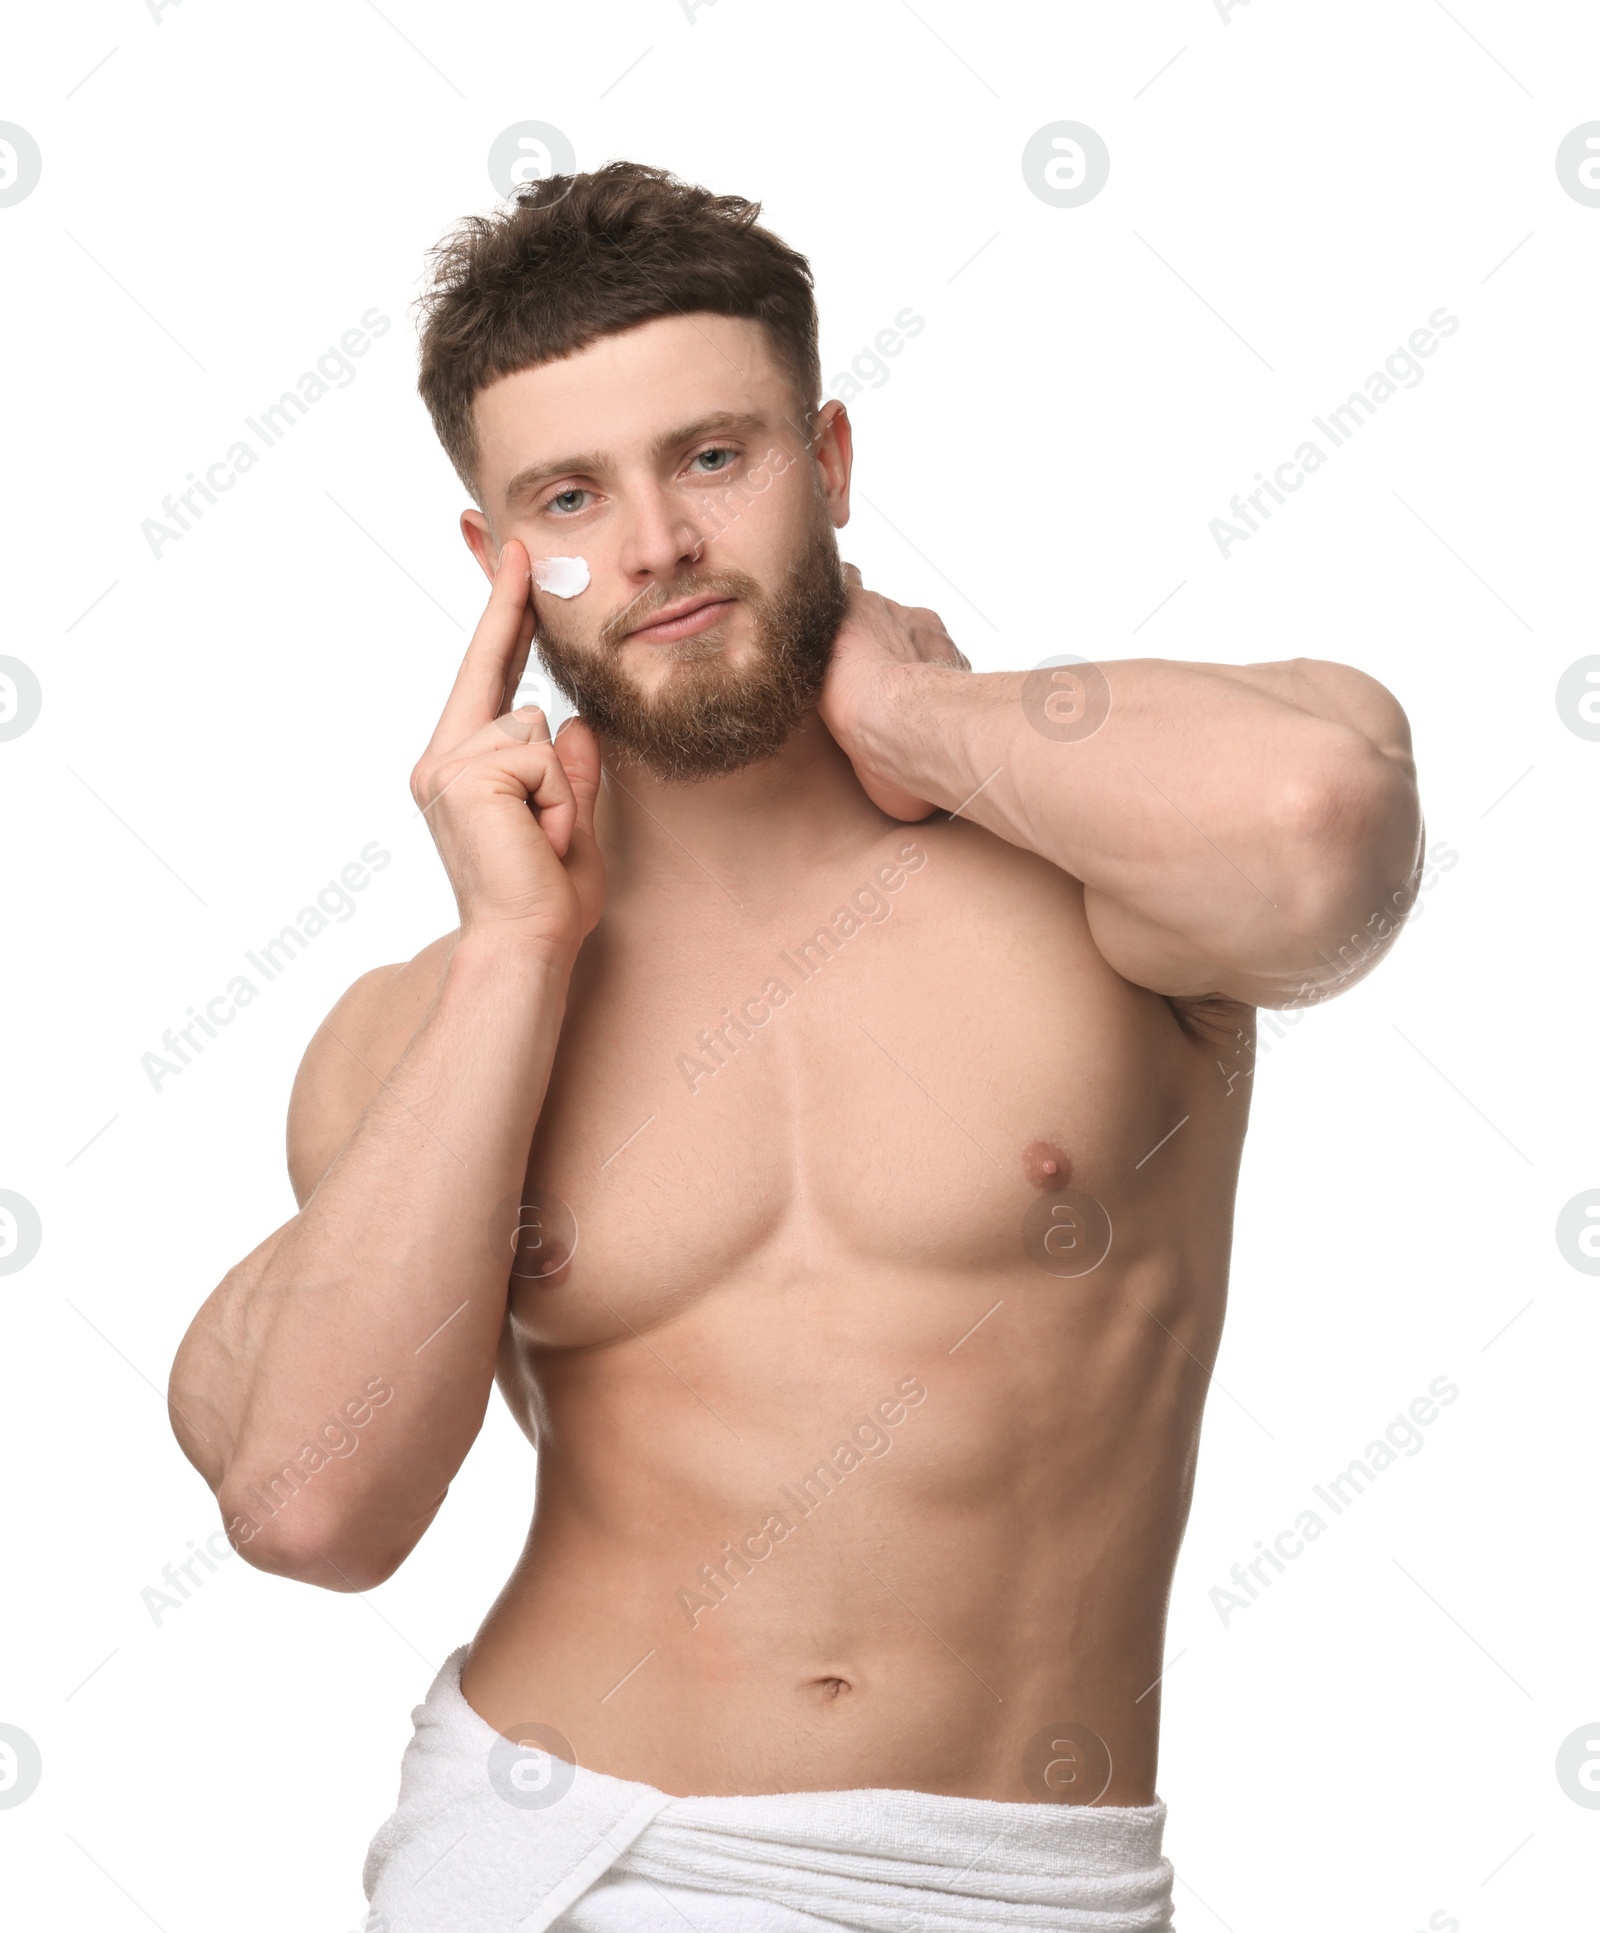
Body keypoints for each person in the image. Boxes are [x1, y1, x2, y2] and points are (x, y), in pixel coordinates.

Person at [168, 161, 1423, 1931]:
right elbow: (308, 1507)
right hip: (572, 1849)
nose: (663, 545)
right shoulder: (432, 1022)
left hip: (1020, 1877)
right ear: (500, 561)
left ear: (825, 461)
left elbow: (1320, 834)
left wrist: (911, 709)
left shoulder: (1099, 869)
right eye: (571, 494)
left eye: (712, 456)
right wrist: (520, 944)